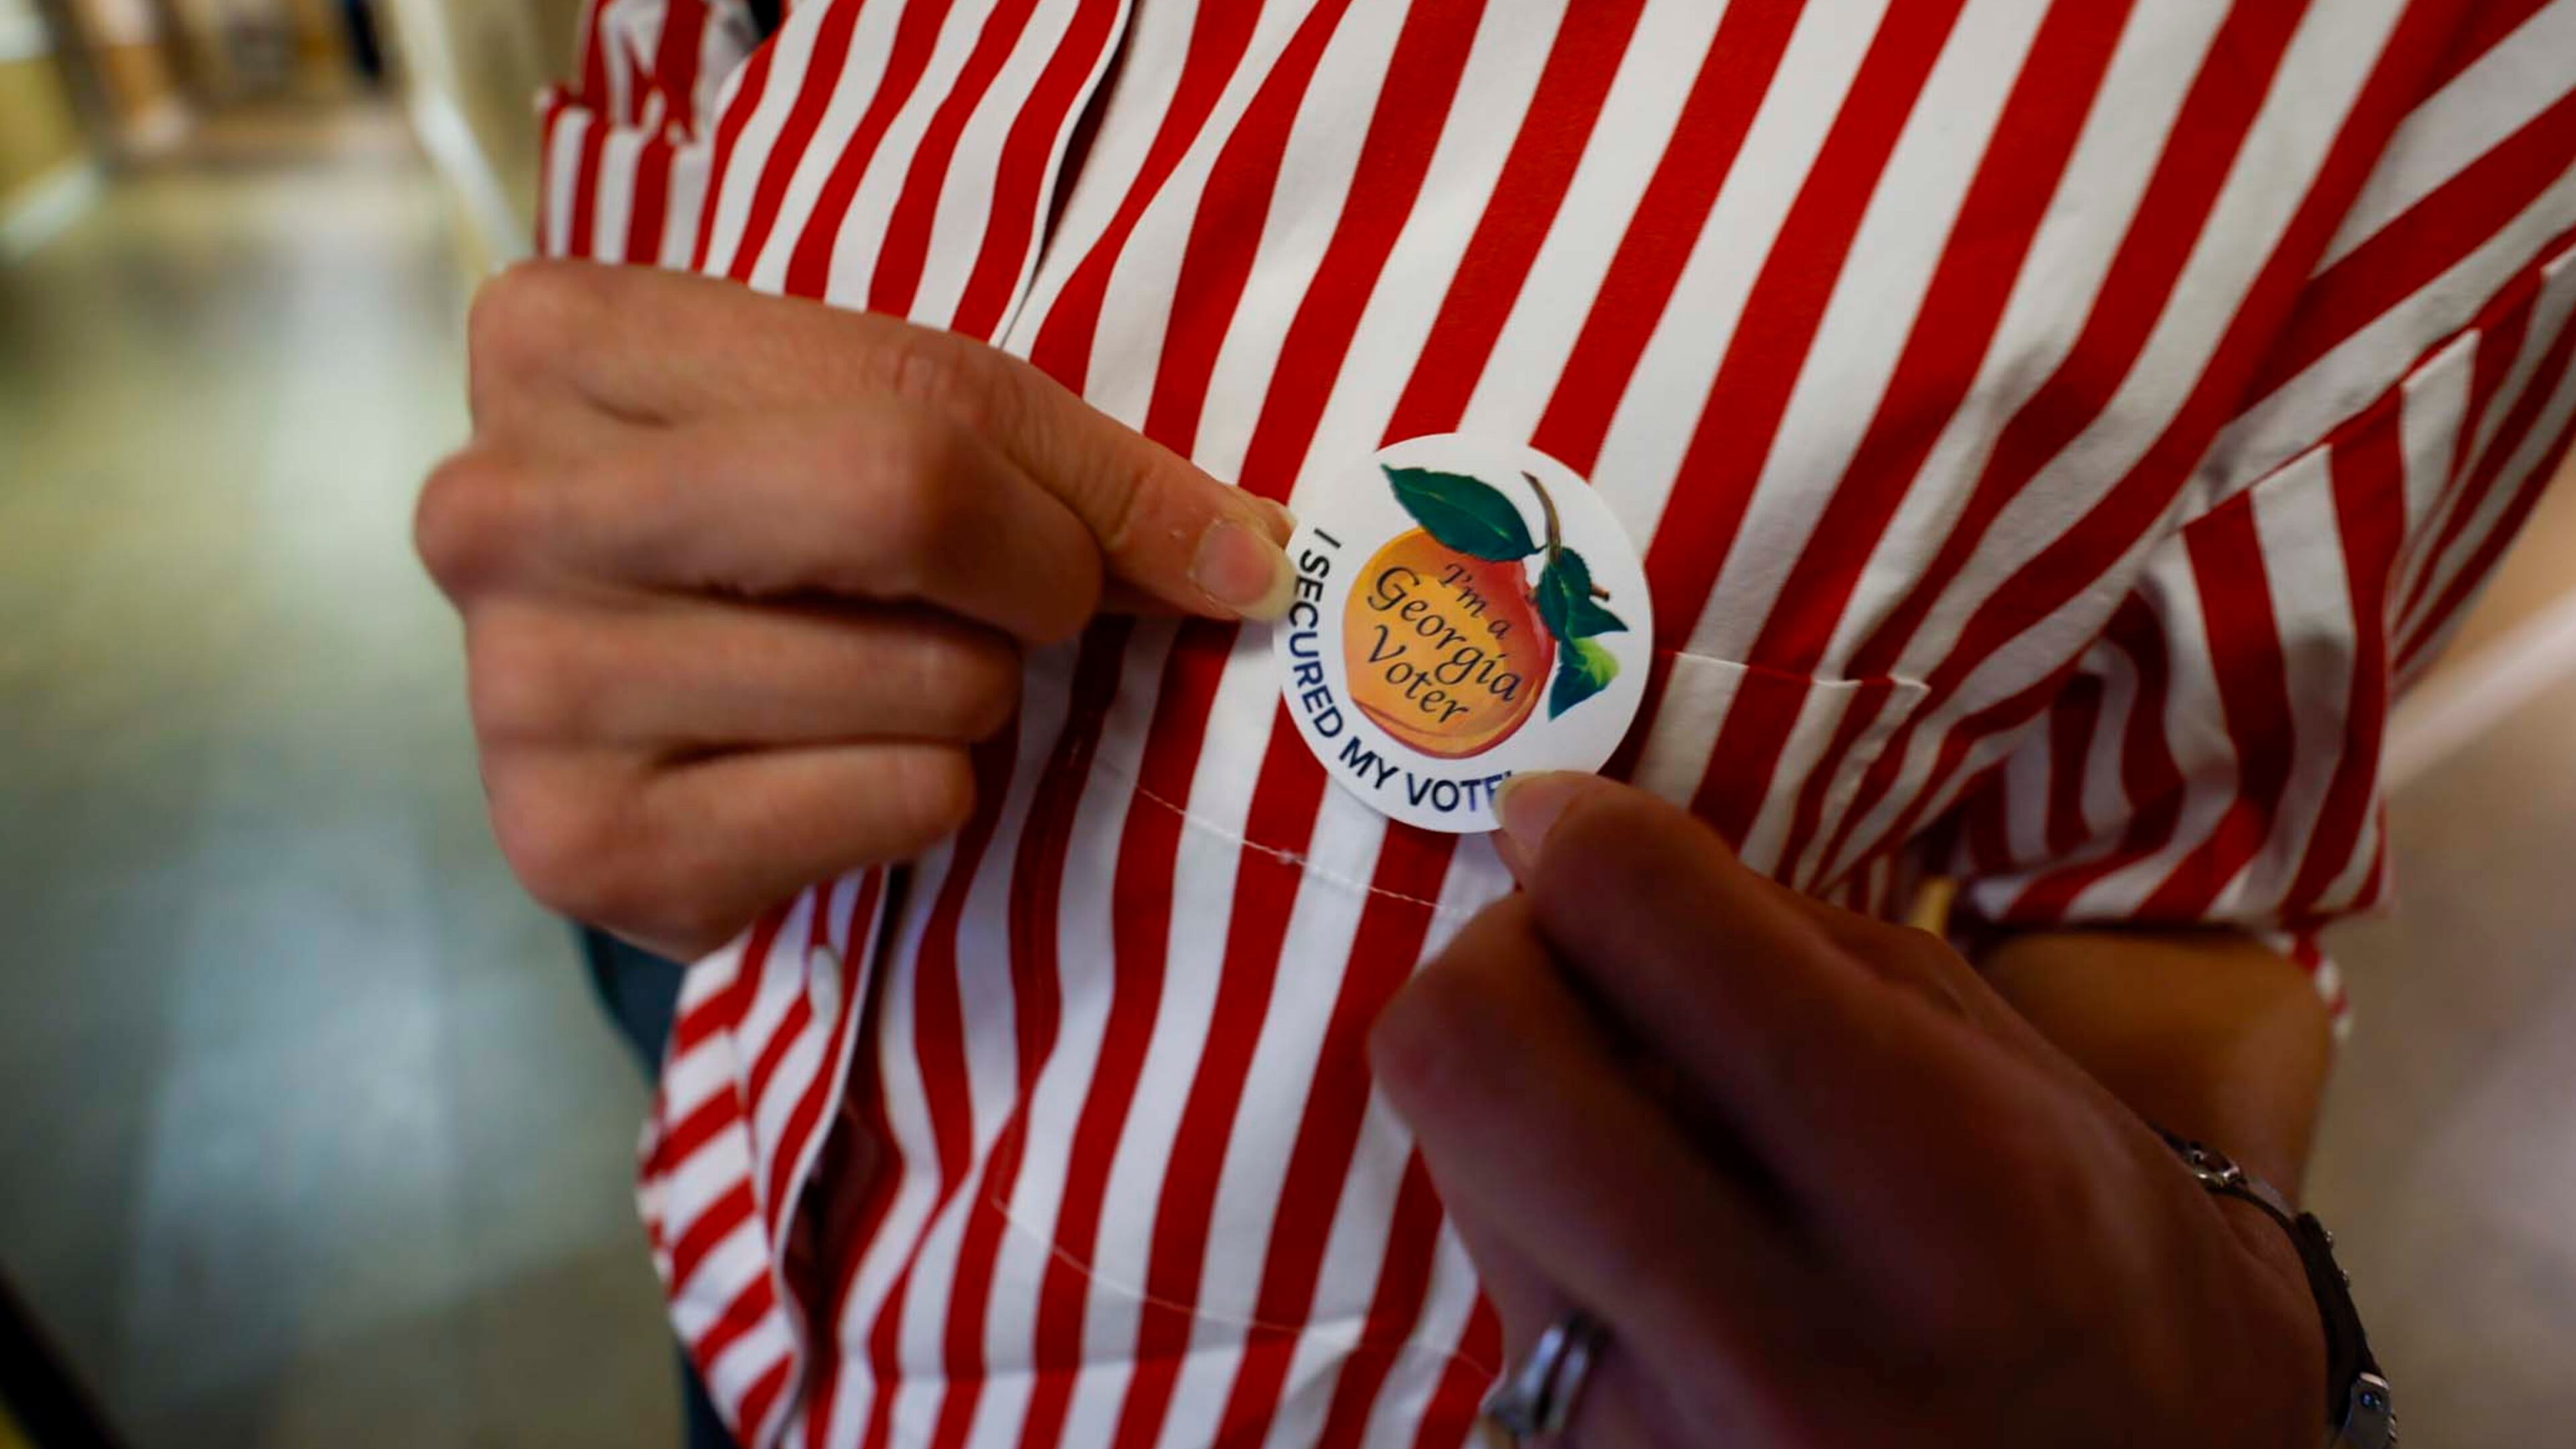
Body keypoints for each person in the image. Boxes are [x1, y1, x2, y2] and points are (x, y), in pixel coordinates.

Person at [419, 0, 2576, 1444]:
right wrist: (582, 595)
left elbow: (2187, 882)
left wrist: (2214, 1328)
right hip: (724, 1209)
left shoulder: (2446, 72)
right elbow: (668, 215)